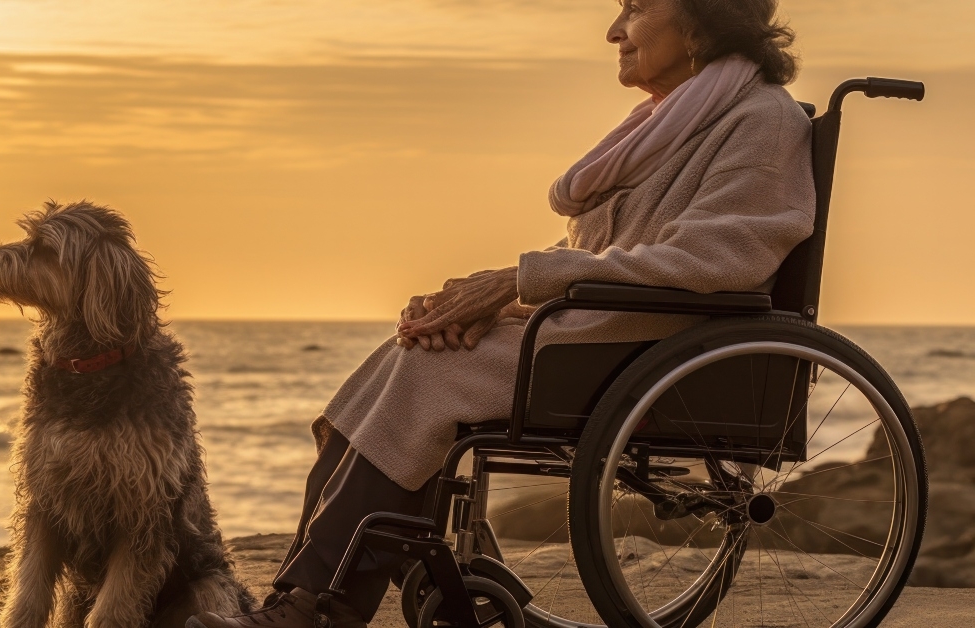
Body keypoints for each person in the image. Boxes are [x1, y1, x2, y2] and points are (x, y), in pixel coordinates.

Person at [189, 1, 815, 627]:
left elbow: (716, 258)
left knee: (430, 377)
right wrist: (484, 301)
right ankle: (315, 592)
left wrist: (518, 280)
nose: (615, 29)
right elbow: (605, 264)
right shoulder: (675, 123)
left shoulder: (761, 120)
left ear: (703, 18)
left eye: (638, 6)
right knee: (414, 349)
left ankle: (320, 609)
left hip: (653, 351)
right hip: (606, 332)